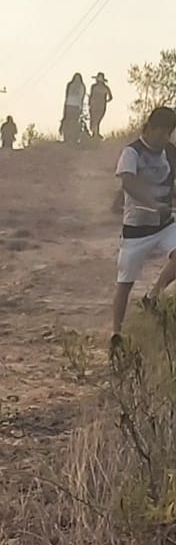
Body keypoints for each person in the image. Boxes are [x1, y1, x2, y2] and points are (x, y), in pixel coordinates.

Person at [111, 106, 176, 346]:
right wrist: (152, 202)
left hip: (165, 224)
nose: (163, 137)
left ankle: (153, 296)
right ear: (148, 128)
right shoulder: (131, 152)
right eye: (160, 131)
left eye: (168, 132)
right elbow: (128, 183)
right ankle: (116, 334)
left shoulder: (171, 153)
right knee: (125, 283)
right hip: (136, 229)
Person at [63, 73, 87, 146]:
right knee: (70, 122)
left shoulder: (80, 86)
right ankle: (69, 138)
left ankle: (71, 138)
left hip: (73, 106)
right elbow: (67, 96)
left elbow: (81, 97)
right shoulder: (72, 85)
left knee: (72, 122)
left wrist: (80, 107)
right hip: (71, 105)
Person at [89, 73, 114, 140]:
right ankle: (95, 135)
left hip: (100, 106)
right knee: (95, 121)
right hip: (95, 106)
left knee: (96, 120)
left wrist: (104, 101)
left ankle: (95, 135)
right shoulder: (94, 87)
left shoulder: (104, 88)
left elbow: (110, 97)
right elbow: (91, 96)